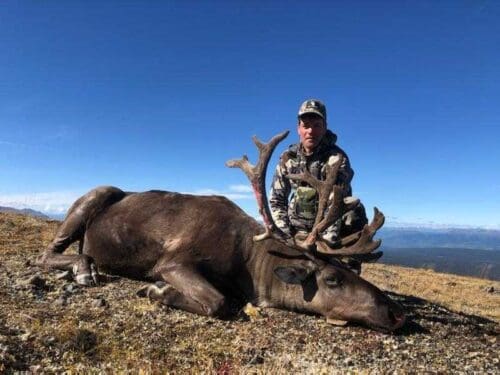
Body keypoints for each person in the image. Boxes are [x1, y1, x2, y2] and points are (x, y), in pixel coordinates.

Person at [270, 98, 368, 250]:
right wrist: (284, 236)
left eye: (316, 125)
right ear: (298, 128)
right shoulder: (287, 158)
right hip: (294, 228)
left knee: (355, 209)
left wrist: (323, 245)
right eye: (306, 126)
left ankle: (348, 264)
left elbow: (335, 203)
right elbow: (277, 200)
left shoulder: (337, 159)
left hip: (326, 230)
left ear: (324, 128)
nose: (310, 131)